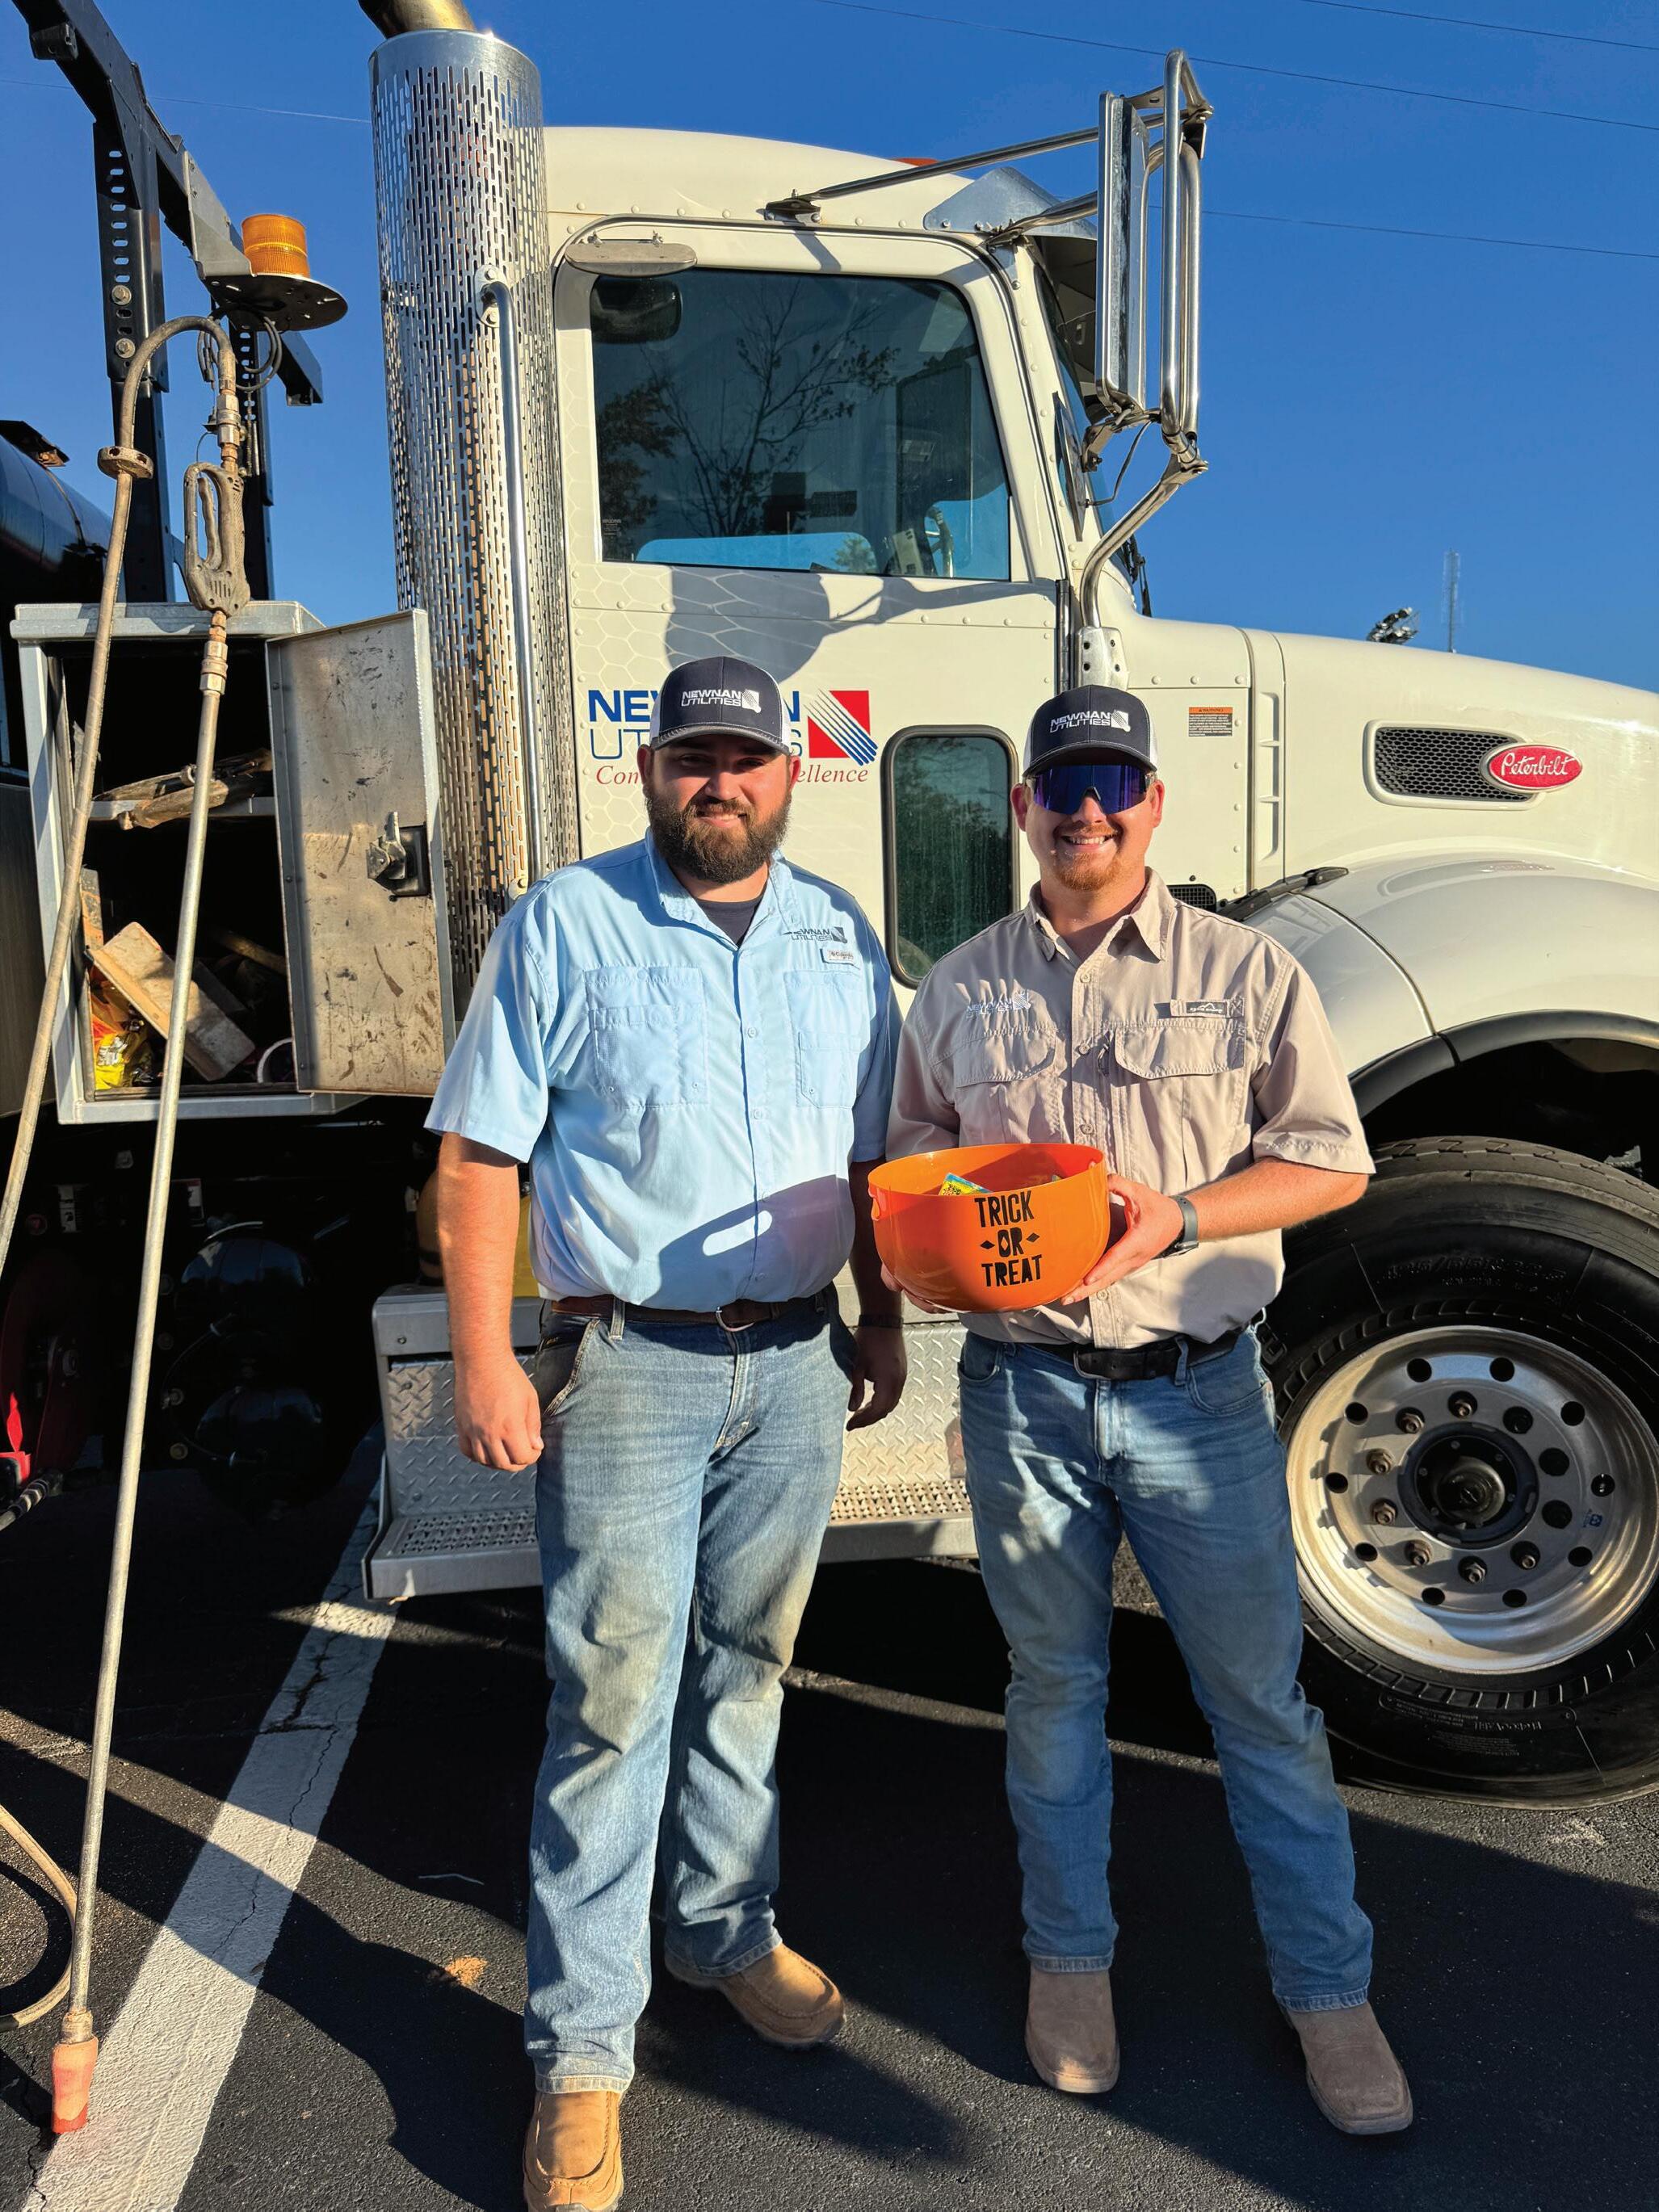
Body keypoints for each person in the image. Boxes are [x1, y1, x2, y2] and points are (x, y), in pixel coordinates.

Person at [888, 685, 1412, 2136]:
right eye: (1061, 785)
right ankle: (1070, 1964)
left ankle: (1328, 1990)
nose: (1086, 809)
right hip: (1022, 1396)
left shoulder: (1246, 972)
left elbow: (1331, 1162)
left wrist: (1178, 1215)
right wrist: (931, 1257)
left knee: (1258, 1706)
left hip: (1197, 1398)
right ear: (1021, 808)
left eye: (1113, 782)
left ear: (1152, 804)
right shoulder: (959, 988)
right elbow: (914, 1157)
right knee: (1052, 1693)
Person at [427, 655, 905, 2212]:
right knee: (612, 1701)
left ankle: (721, 1931)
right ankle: (580, 2051)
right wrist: (487, 1362)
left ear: (788, 775)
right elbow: (480, 1158)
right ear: (649, 771)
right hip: (628, 1366)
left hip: (797, 1361)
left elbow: (874, 1158)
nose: (720, 782)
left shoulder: (840, 933)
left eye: (745, 759)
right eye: (693, 756)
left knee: (749, 1666)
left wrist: (883, 1322)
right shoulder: (565, 923)